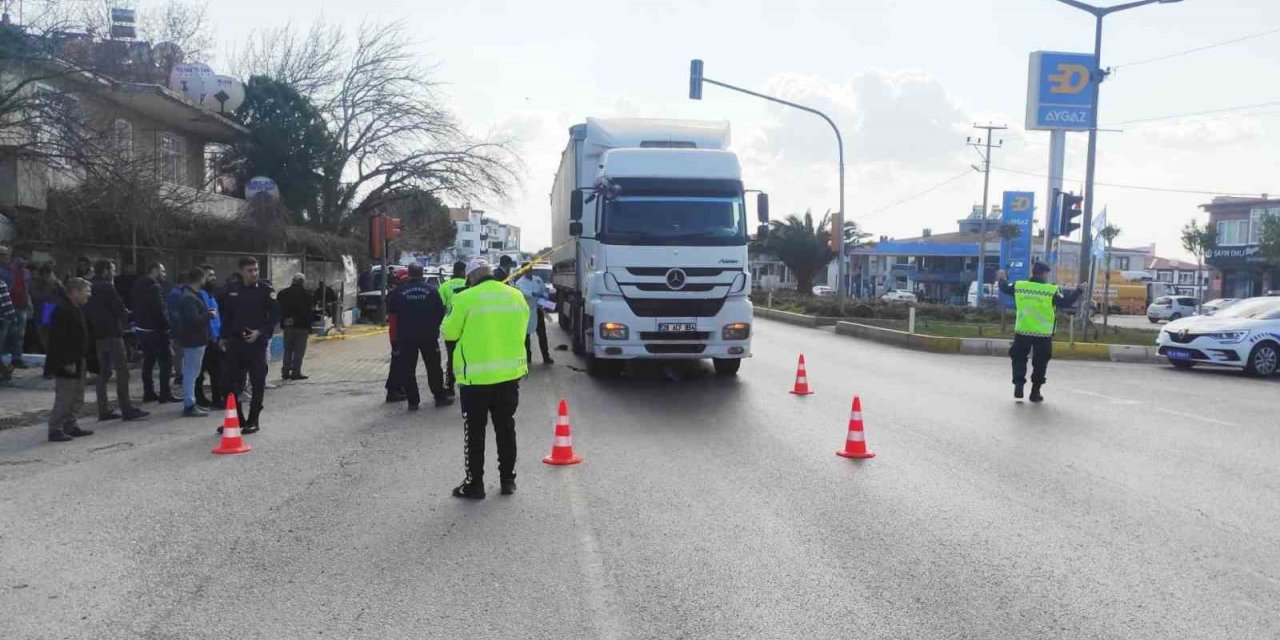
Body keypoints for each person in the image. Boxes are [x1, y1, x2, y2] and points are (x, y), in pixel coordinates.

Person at [441, 258, 530, 499]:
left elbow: (448, 332)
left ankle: (475, 484)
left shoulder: (464, 298)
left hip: (475, 380)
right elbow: (523, 328)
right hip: (509, 376)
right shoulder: (515, 296)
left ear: (471, 277)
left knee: (475, 431)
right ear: (491, 273)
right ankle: (508, 480)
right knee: (506, 428)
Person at [997, 263, 1085, 403]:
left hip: (1023, 330)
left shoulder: (1020, 286)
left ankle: (1019, 384)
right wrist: (1078, 290)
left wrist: (1001, 278)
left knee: (1019, 358)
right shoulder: (1050, 290)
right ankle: (1035, 392)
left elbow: (1004, 288)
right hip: (1043, 334)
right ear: (1044, 273)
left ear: (1033, 272)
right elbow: (1066, 302)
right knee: (1040, 362)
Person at [219, 257, 279, 433]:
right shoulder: (233, 290)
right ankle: (236, 418)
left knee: (257, 381)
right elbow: (227, 316)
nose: (254, 273)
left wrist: (260, 332)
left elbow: (275, 316)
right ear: (242, 271)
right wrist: (223, 337)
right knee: (227, 382)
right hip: (236, 342)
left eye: (256, 270)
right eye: (250, 270)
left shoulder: (265, 290)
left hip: (256, 342)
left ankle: (254, 420)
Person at [84, 260, 148, 422]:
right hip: (112, 333)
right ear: (105, 271)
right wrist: (132, 315)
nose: (114, 272)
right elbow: (119, 309)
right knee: (122, 371)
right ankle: (126, 408)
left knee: (103, 373)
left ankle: (103, 409)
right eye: (112, 269)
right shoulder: (107, 287)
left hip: (97, 335)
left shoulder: (90, 286)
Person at [387, 263, 451, 410]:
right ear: (422, 274)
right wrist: (434, 328)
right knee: (434, 367)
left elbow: (392, 319)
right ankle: (439, 397)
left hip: (406, 337)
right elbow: (441, 313)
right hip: (428, 336)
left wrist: (394, 341)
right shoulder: (432, 291)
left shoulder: (398, 292)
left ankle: (413, 401)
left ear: (408, 274)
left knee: (408, 370)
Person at [46, 278, 96, 442]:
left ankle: (70, 424)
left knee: (77, 395)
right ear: (75, 291)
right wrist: (66, 362)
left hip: (78, 359)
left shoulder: (76, 308)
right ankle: (55, 428)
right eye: (86, 292)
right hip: (67, 360)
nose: (89, 296)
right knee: (65, 396)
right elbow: (58, 340)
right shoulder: (62, 309)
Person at [131, 262, 177, 403]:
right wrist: (167, 327)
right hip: (156, 330)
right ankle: (165, 393)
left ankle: (148, 392)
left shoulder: (137, 285)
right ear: (155, 270)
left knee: (148, 361)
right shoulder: (154, 287)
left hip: (141, 328)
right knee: (166, 362)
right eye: (162, 271)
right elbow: (159, 310)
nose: (164, 274)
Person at [177, 267, 214, 417]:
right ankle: (189, 404)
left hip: (196, 339)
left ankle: (191, 402)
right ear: (200, 279)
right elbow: (192, 320)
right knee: (191, 373)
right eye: (204, 277)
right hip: (193, 340)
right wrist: (208, 315)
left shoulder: (191, 295)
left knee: (192, 372)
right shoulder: (189, 298)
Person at [437, 261, 468, 396]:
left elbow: (440, 308)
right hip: (467, 327)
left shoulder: (444, 286)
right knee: (468, 356)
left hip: (450, 327)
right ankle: (467, 385)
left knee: (451, 358)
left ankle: (450, 387)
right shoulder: (470, 285)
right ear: (463, 271)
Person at [514, 265, 555, 365]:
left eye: (530, 270)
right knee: (526, 336)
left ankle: (546, 356)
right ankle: (528, 358)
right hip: (526, 311)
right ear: (523, 271)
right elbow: (524, 294)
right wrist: (534, 294)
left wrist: (544, 296)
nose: (529, 272)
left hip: (538, 310)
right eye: (526, 270)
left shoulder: (538, 280)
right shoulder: (519, 283)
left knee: (542, 335)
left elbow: (544, 290)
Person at [195, 265, 223, 408]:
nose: (213, 278)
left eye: (214, 275)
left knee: (216, 371)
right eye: (210, 275)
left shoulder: (211, 294)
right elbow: (208, 318)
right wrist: (213, 336)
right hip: (207, 340)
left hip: (215, 338)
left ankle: (217, 399)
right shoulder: (201, 294)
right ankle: (199, 399)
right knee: (200, 372)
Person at [0, 246, 32, 370]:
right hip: (6, 306)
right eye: (22, 258)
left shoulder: (26, 272)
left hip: (21, 305)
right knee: (4, 334)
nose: (24, 261)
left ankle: (17, 358)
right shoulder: (3, 271)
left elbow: (26, 289)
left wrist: (29, 305)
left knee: (19, 334)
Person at [277, 273, 314, 381]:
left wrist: (285, 319)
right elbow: (308, 312)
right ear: (302, 282)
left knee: (288, 349)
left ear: (293, 280)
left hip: (287, 326)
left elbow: (278, 309)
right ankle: (296, 373)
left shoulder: (282, 293)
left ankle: (285, 372)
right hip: (301, 327)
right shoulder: (307, 295)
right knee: (299, 351)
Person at [29, 263, 60, 378]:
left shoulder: (55, 284)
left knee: (51, 345)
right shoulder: (37, 283)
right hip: (44, 314)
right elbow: (38, 297)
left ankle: (51, 369)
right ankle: (51, 369)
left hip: (50, 314)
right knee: (48, 344)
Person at [0, 275, 13, 383]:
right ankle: (5, 371)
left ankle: (5, 371)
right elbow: (8, 303)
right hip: (4, 319)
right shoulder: (2, 283)